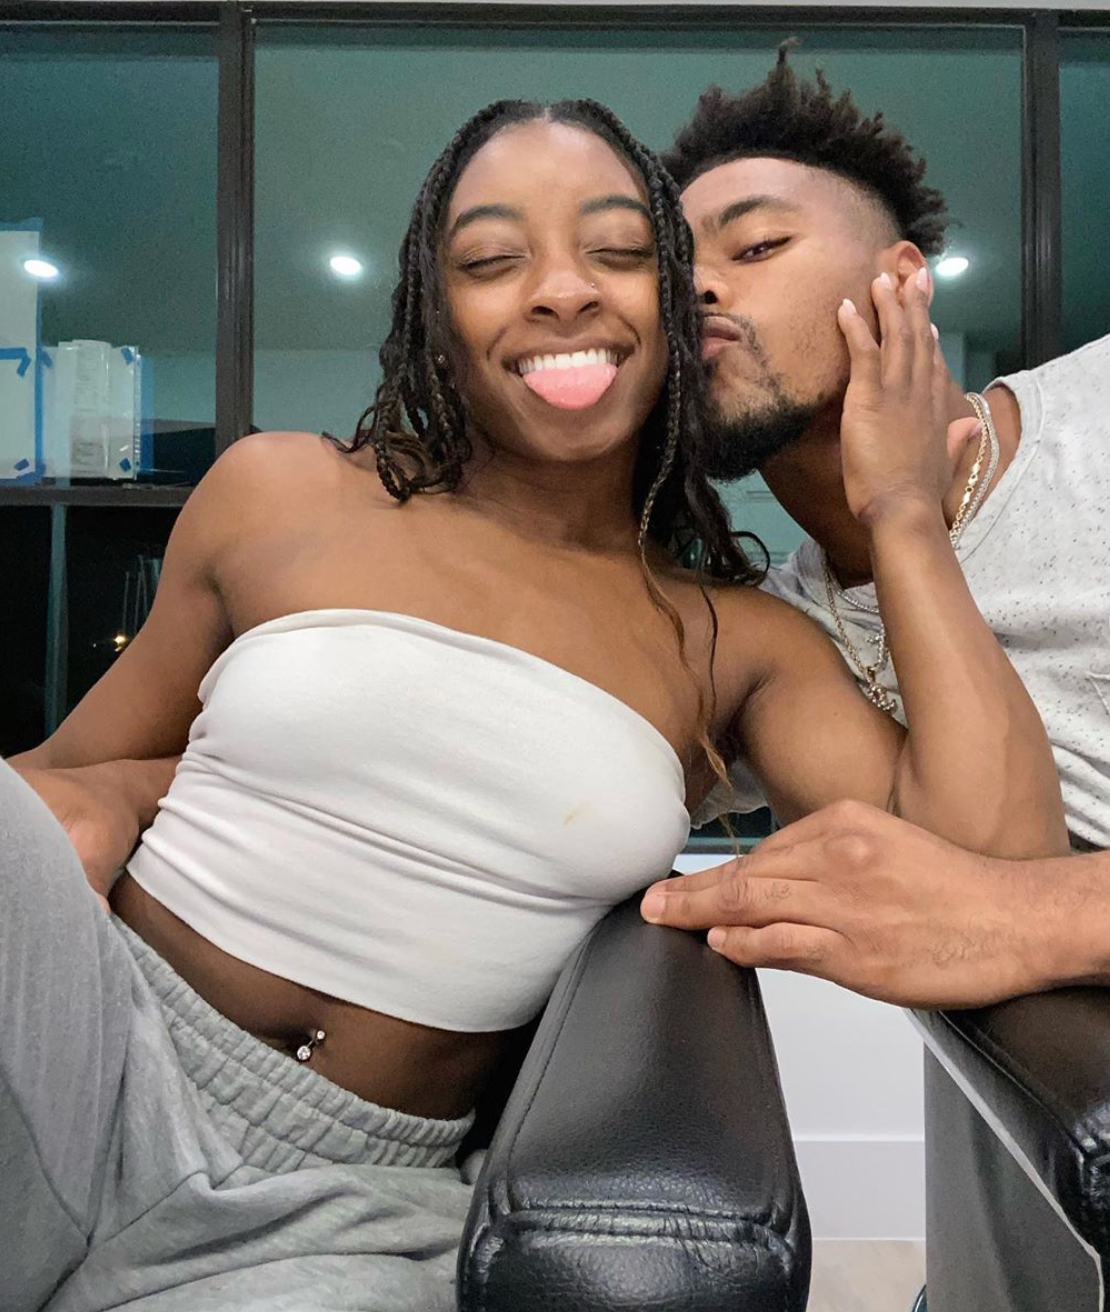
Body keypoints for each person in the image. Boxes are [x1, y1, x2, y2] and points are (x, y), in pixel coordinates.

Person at [5, 96, 1062, 1311]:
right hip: (85, 1030)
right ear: (436, 314)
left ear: (677, 313)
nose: (561, 291)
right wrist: (104, 792)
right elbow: (53, 782)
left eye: (615, 251)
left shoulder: (734, 643)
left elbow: (996, 867)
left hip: (352, 1196)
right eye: (492, 260)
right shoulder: (278, 492)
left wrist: (905, 513)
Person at [641, 50, 1110, 1010]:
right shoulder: (776, 646)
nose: (698, 291)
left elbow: (990, 911)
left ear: (902, 280)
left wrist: (1041, 916)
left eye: (756, 246)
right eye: (670, 274)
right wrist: (900, 511)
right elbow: (964, 895)